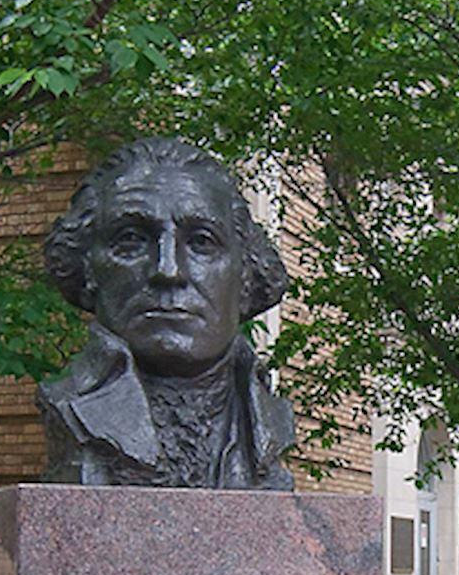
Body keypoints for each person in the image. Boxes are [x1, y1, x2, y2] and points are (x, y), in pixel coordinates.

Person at [38, 136, 297, 489]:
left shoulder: (269, 423)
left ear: (247, 276)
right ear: (87, 270)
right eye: (131, 239)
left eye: (202, 242)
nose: (168, 270)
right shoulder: (68, 409)